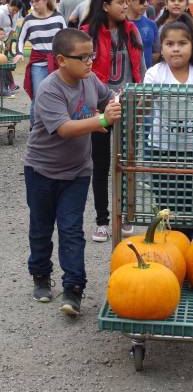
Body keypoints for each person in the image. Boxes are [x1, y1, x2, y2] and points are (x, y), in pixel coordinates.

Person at [24, 28, 121, 315]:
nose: (90, 61)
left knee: (71, 228)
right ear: (62, 60)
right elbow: (65, 128)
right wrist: (101, 119)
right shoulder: (49, 89)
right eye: (83, 57)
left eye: (92, 55)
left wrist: (115, 104)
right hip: (41, 169)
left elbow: (106, 97)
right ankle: (41, 275)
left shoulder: (89, 79)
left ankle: (73, 288)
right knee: (41, 227)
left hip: (78, 172)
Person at [143, 13, 193, 241]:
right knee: (166, 203)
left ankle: (184, 242)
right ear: (162, 47)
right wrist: (143, 98)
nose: (176, 49)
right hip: (162, 148)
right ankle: (172, 245)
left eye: (182, 43)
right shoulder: (155, 72)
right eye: (170, 44)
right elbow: (144, 103)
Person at [81, 0, 146, 242]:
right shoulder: (88, 33)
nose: (125, 6)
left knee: (127, 163)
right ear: (105, 5)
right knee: (100, 164)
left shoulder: (132, 30)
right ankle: (102, 219)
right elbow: (82, 75)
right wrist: (91, 108)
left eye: (126, 2)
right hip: (100, 107)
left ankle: (126, 214)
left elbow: (140, 66)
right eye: (120, 2)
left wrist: (140, 96)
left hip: (129, 106)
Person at [13, 0, 66, 127]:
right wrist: (19, 53)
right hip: (38, 63)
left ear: (46, 1)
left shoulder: (58, 17)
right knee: (38, 96)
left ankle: (57, 125)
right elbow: (20, 39)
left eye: (37, 1)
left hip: (57, 61)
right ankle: (36, 128)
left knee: (60, 94)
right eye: (32, 1)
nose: (34, 4)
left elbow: (66, 38)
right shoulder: (29, 20)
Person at [124, 0, 160, 68]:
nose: (146, 4)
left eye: (147, 0)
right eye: (142, 1)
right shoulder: (117, 24)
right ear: (129, 1)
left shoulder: (151, 24)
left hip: (146, 77)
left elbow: (156, 52)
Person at [0, 27, 15, 98]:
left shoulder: (2, 43)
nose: (2, 35)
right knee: (2, 74)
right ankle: (2, 90)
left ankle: (6, 88)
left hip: (2, 63)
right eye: (0, 34)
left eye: (3, 34)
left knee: (6, 73)